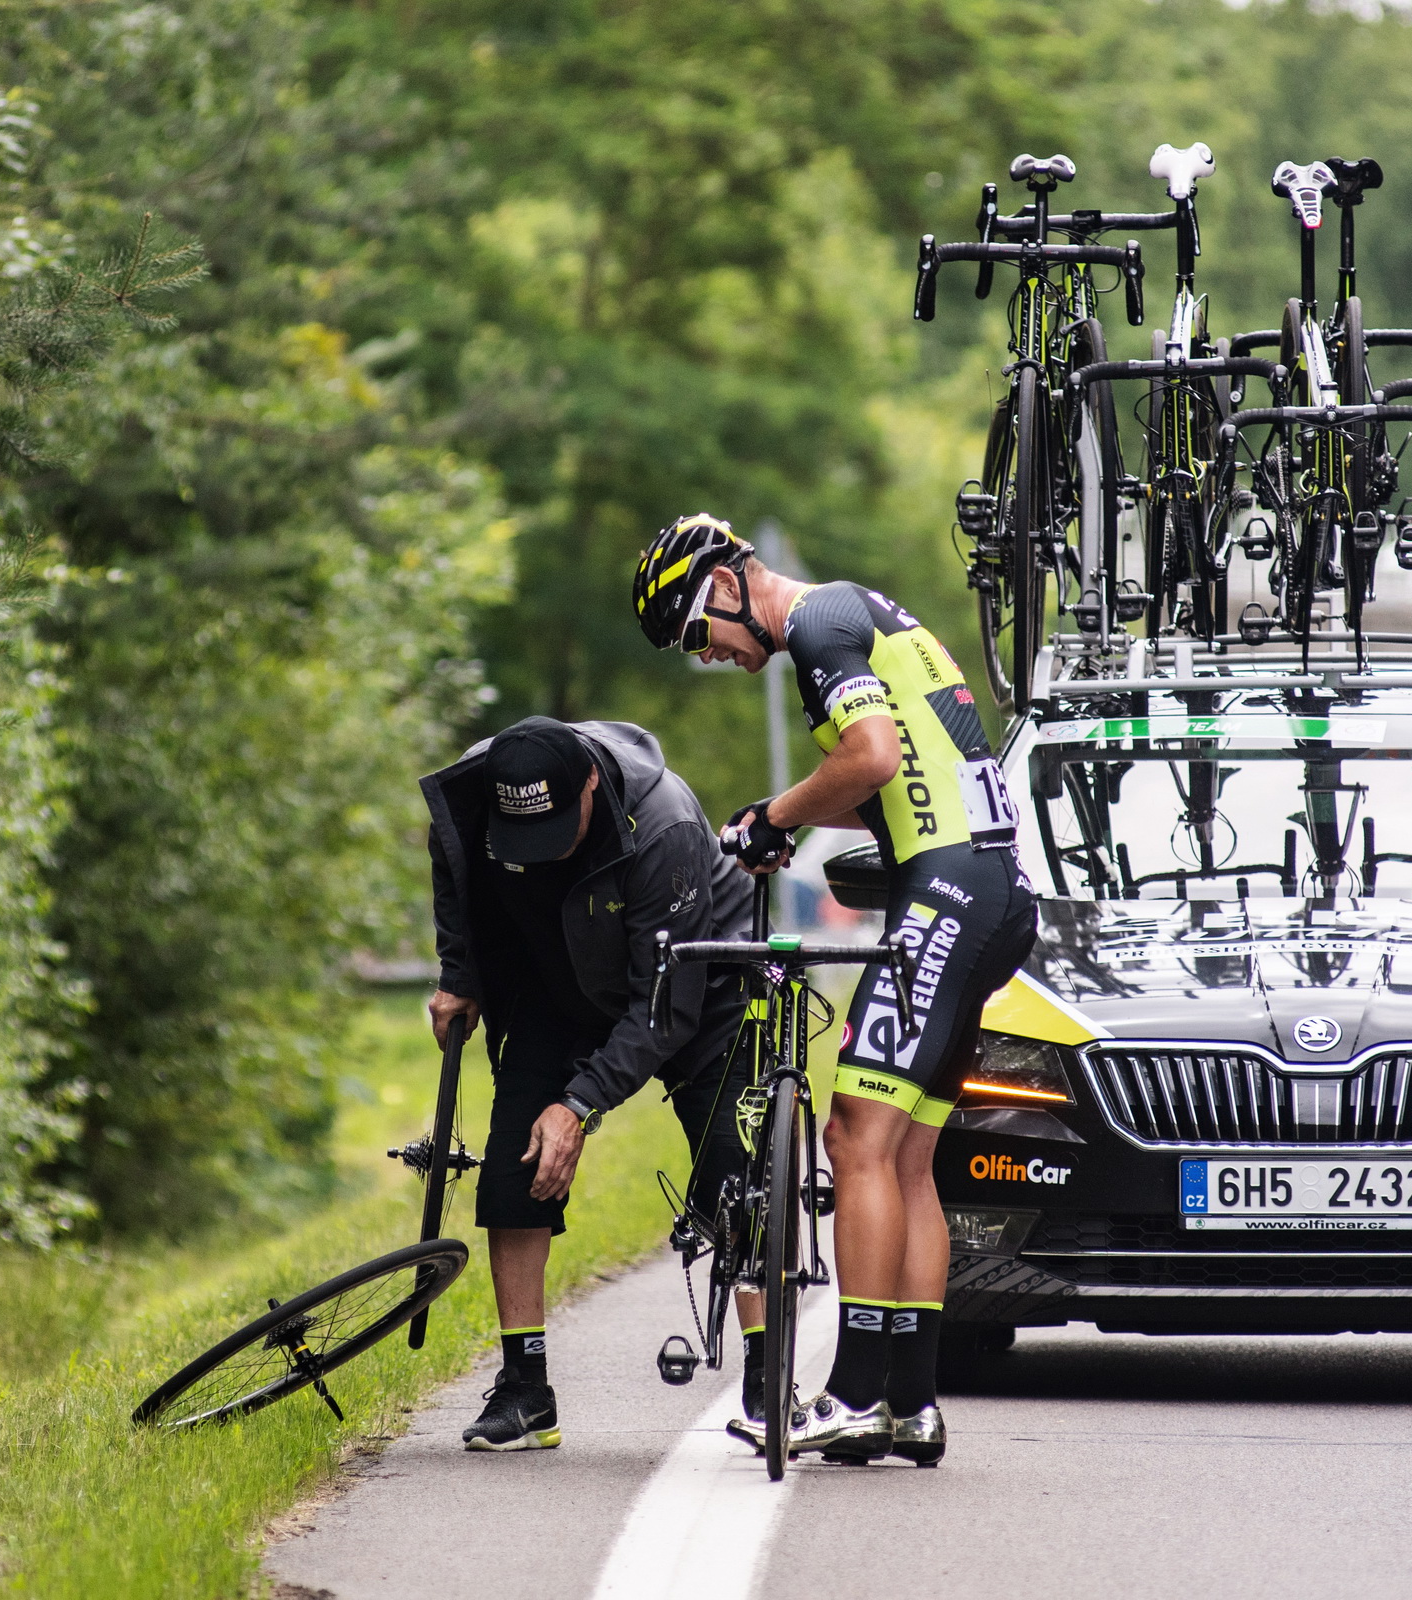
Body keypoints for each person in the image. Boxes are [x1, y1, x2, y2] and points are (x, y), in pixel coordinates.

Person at [632, 514, 1037, 1467]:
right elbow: (892, 780)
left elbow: (871, 758)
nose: (708, 657)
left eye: (696, 634)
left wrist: (774, 815)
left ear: (726, 585)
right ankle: (911, 1402)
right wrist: (782, 821)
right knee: (905, 1158)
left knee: (854, 1137)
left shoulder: (817, 625)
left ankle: (853, 1396)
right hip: (991, 891)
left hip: (947, 891)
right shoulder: (860, 614)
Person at [422, 714, 757, 1450]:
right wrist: (459, 972)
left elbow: (665, 1011)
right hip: (558, 979)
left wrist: (579, 1104)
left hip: (698, 987)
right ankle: (525, 1388)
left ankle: (767, 1378)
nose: (540, 854)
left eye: (554, 834)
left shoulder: (663, 826)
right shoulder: (478, 788)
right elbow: (455, 868)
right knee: (513, 1172)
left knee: (737, 1178)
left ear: (591, 787)